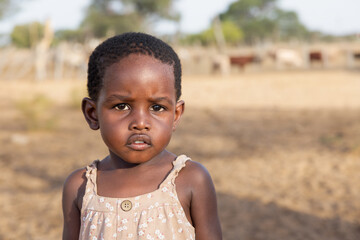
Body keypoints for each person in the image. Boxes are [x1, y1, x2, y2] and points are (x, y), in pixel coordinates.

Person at [62, 32, 222, 240]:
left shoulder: (190, 179)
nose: (140, 123)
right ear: (93, 114)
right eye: (122, 106)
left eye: (157, 107)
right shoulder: (80, 186)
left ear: (175, 115)